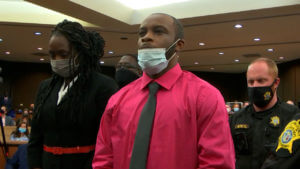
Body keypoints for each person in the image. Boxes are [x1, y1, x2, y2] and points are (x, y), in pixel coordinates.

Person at [92, 13, 235, 169]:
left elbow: (217, 163)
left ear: (178, 45)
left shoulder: (205, 96)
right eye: (142, 33)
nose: (146, 37)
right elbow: (104, 159)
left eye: (158, 31)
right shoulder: (118, 100)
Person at [27, 20, 118, 169]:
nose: (57, 60)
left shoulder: (103, 86)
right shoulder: (45, 87)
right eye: (52, 55)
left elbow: (107, 142)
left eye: (63, 54)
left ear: (80, 52)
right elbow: (35, 138)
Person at [230, 58, 299, 169]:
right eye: (251, 82)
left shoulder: (293, 117)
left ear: (276, 82)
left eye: (261, 81)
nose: (255, 86)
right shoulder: (236, 119)